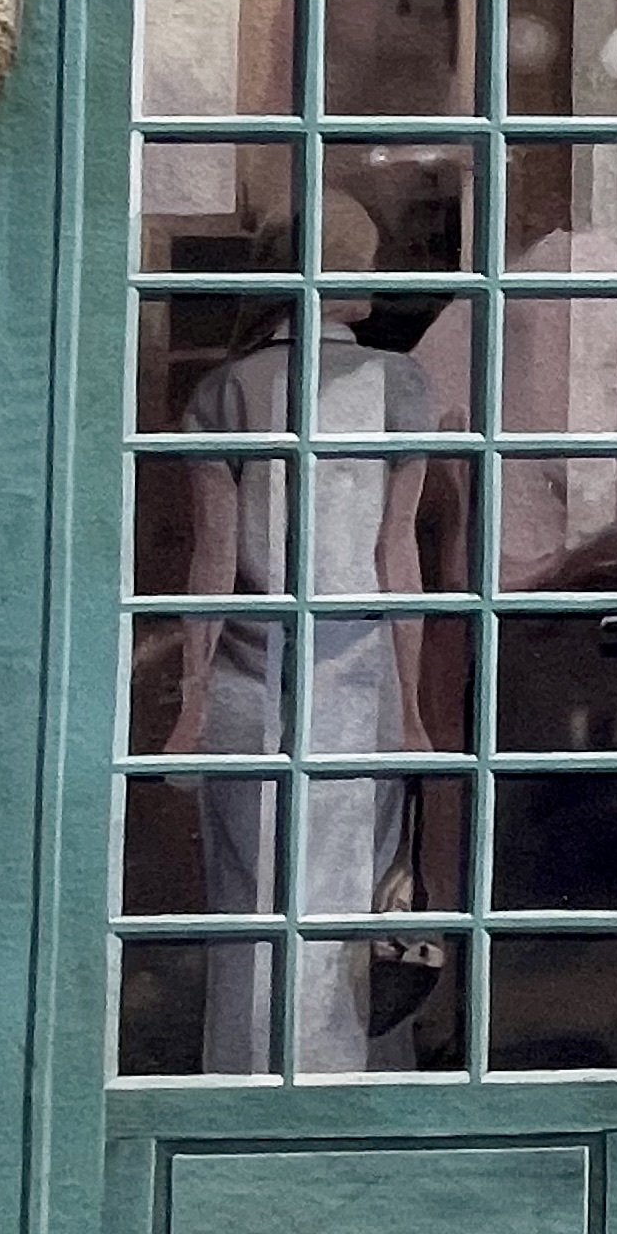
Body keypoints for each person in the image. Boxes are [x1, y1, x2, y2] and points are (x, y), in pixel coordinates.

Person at [170, 191, 442, 1073]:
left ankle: (250, 1091)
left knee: (251, 908)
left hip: (250, 692)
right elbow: (398, 556)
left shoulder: (223, 391)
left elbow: (212, 564)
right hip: (361, 683)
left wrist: (188, 704)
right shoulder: (403, 387)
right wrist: (411, 709)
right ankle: (351, 1095)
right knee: (363, 907)